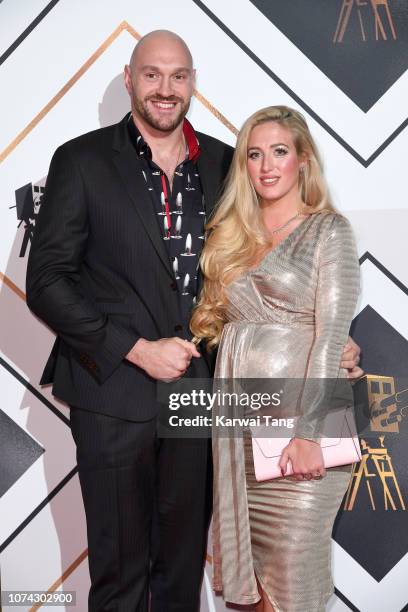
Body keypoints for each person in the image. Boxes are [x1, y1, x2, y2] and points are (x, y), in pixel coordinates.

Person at [26, 30, 361, 611]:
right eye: (152, 74)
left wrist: (329, 333)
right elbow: (47, 283)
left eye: (178, 76)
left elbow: (265, 267)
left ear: (192, 85)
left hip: (207, 398)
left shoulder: (227, 165)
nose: (165, 88)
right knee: (119, 572)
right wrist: (134, 348)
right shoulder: (79, 161)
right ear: (130, 79)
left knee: (182, 572)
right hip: (112, 391)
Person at [190, 105, 361, 611]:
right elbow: (215, 325)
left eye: (279, 152)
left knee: (293, 587)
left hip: (301, 432)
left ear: (303, 160)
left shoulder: (329, 231)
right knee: (249, 595)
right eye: (254, 154)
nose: (266, 166)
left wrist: (309, 435)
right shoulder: (231, 236)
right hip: (239, 435)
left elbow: (332, 338)